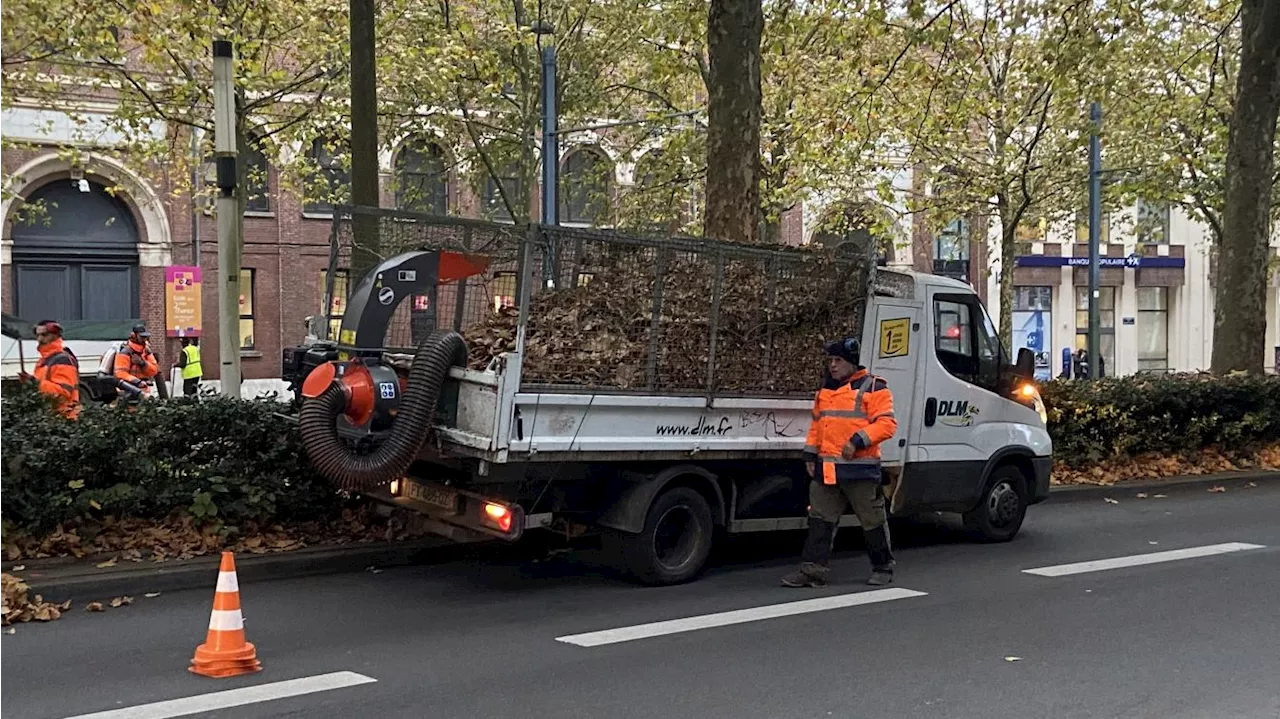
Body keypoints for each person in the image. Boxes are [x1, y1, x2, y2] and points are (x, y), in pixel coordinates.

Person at [782, 337, 899, 588]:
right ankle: (813, 571)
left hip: (860, 469)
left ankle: (883, 567)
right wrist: (810, 454)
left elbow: (887, 424)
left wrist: (857, 440)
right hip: (828, 468)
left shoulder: (873, 387)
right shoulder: (826, 390)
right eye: (830, 361)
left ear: (851, 363)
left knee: (872, 520)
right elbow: (817, 425)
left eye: (838, 361)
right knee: (820, 519)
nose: (832, 365)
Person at [18, 319, 81, 419]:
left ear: (56, 335)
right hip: (52, 418)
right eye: (37, 335)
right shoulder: (45, 360)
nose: (39, 339)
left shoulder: (62, 360)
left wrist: (34, 383)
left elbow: (63, 394)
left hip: (64, 419)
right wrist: (30, 383)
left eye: (44, 335)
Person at [113, 323, 159, 401]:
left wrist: (142, 363)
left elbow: (154, 370)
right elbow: (120, 373)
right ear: (134, 336)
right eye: (142, 337)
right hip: (127, 389)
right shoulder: (125, 351)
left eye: (145, 337)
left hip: (144, 391)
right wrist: (137, 381)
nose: (144, 340)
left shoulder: (146, 350)